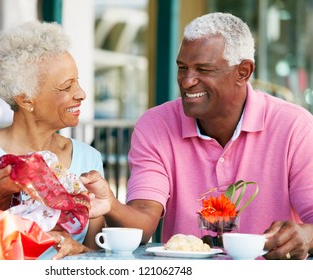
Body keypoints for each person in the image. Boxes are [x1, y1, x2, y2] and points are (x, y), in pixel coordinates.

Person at [80, 12, 313, 260]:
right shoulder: (155, 125)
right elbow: (144, 219)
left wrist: (305, 236)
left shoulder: (295, 126)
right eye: (182, 68)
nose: (187, 81)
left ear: (243, 72)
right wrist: (112, 205)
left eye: (203, 69)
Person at [0, 20, 105, 260]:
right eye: (67, 86)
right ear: (26, 99)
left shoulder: (88, 158)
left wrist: (81, 250)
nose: (81, 94)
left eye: (77, 81)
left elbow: (97, 258)